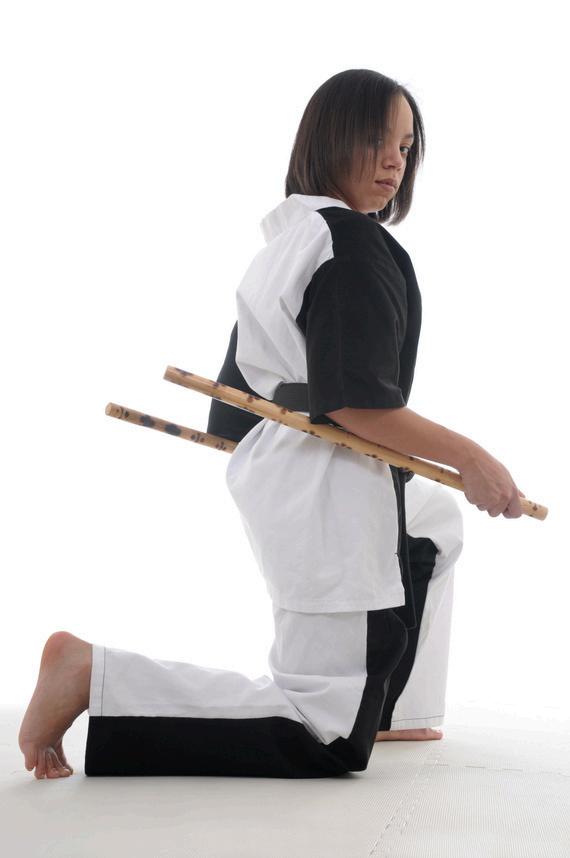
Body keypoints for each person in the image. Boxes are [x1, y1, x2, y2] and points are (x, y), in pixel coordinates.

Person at [18, 69, 524, 780]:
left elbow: (230, 409)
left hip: (285, 468)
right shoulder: (350, 242)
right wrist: (471, 457)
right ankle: (94, 676)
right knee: (324, 731)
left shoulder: (291, 239)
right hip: (326, 482)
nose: (393, 162)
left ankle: (391, 707)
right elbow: (356, 404)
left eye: (406, 147)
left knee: (432, 522)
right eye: (376, 140)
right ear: (330, 139)